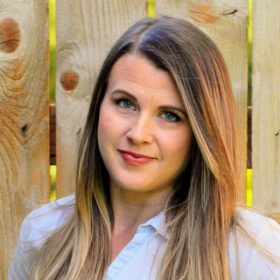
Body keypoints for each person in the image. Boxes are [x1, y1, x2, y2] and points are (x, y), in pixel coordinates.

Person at [8, 16, 280, 280]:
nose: (138, 134)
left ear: (202, 132)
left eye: (170, 115)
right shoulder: (43, 233)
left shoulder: (251, 252)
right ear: (99, 106)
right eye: (126, 103)